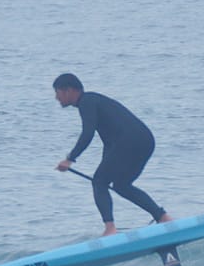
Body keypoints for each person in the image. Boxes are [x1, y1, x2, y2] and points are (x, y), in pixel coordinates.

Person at [51, 73, 171, 237]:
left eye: (57, 92)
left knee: (99, 182)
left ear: (69, 90)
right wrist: (104, 165)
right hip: (145, 140)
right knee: (121, 185)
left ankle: (110, 229)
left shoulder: (86, 101)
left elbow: (87, 134)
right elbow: (109, 142)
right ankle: (162, 217)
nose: (56, 98)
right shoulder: (95, 101)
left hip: (129, 141)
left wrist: (70, 159)